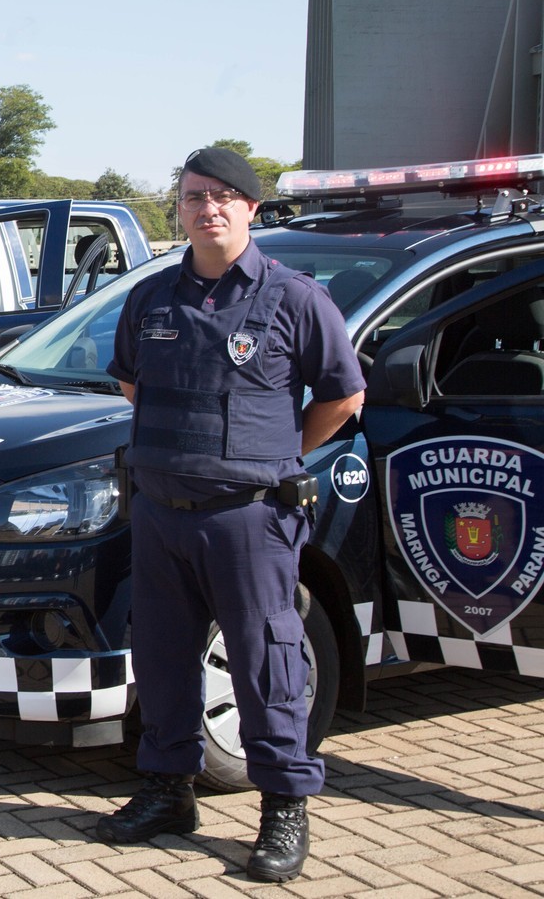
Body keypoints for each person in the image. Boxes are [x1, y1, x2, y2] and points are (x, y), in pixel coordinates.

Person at [99, 147, 366, 882]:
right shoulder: (150, 297)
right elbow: (132, 387)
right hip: (161, 513)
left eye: (222, 196)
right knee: (162, 658)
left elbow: (343, 397)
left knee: (266, 662)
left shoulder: (295, 299)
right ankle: (168, 791)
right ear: (178, 210)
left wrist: (274, 455)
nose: (207, 208)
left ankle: (283, 805)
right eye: (193, 196)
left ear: (250, 207)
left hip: (249, 517)